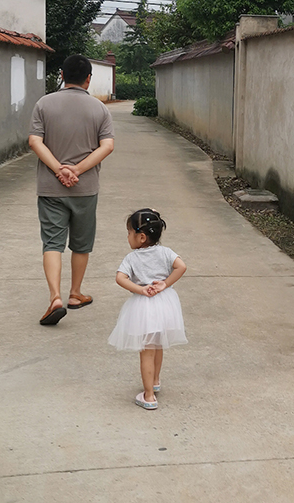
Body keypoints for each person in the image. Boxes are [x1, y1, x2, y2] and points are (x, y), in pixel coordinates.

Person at [28, 54, 115, 326]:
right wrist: (77, 171)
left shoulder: (43, 104)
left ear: (62, 75)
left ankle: (55, 296)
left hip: (51, 188)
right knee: (81, 243)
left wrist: (59, 169)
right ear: (89, 78)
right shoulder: (100, 109)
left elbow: (34, 142)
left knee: (52, 243)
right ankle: (75, 294)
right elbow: (107, 146)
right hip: (85, 189)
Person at [108, 209, 188, 410]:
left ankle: (149, 396)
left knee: (146, 352)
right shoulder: (166, 252)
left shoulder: (132, 258)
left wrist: (141, 290)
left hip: (144, 308)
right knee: (158, 346)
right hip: (165, 304)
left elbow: (120, 278)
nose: (127, 237)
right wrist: (165, 284)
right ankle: (155, 380)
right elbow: (181, 267)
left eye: (129, 233)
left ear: (141, 237)